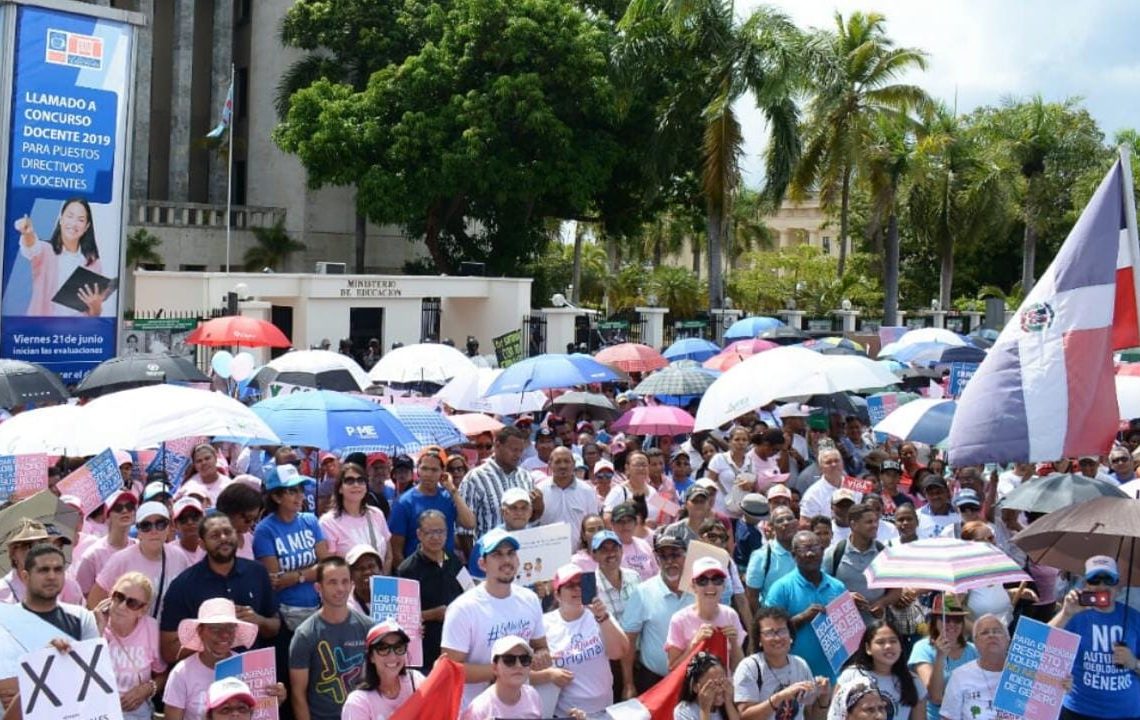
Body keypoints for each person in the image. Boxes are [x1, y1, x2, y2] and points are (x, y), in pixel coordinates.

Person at [440, 528, 550, 708]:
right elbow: (450, 669)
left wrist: (541, 657)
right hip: (475, 709)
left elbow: (541, 647)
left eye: (511, 553)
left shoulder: (529, 599)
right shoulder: (463, 608)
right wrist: (502, 671)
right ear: (482, 564)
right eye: (497, 555)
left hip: (520, 706)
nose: (506, 560)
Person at [159, 514, 279, 664]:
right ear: (202, 544)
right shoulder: (183, 585)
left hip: (251, 671)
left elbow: (275, 626)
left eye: (228, 532)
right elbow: (169, 652)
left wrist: (259, 621)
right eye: (215, 535)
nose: (223, 538)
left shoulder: (257, 572)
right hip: (204, 677)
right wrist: (206, 636)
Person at [1050, 555, 1140, 720]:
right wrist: (1065, 614)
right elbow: (1038, 645)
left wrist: (1133, 663)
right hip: (1078, 710)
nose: (1102, 586)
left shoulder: (1134, 618)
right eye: (1095, 580)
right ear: (1086, 585)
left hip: (1127, 713)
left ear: (1119, 587)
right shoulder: (1074, 615)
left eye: (1108, 580)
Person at [165, 598, 283, 720]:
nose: (224, 634)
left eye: (230, 628)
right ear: (200, 631)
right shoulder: (182, 673)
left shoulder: (248, 667)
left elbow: (259, 713)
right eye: (215, 628)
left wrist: (274, 698)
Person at [288, 557, 372, 720]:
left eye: (345, 581)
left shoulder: (367, 627)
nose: (340, 588)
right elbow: (298, 694)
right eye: (332, 582)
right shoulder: (305, 635)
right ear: (318, 587)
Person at [544, 563, 630, 717]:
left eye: (581, 584)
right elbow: (528, 668)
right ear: (557, 595)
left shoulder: (599, 615)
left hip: (605, 710)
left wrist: (603, 618)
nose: (577, 589)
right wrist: (548, 673)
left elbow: (619, 652)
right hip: (568, 714)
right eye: (570, 585)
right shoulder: (545, 624)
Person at [254, 464, 329, 630]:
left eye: (301, 490)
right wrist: (309, 573)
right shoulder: (264, 531)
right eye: (292, 491)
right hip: (285, 613)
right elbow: (276, 581)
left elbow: (327, 566)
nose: (300, 496)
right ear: (277, 497)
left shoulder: (311, 520)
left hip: (318, 607)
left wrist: (295, 576)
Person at [764, 531, 847, 681]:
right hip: (792, 677)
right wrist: (802, 618)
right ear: (793, 555)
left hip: (832, 676)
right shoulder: (781, 588)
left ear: (822, 551)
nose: (810, 554)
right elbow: (768, 631)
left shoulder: (837, 587)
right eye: (803, 549)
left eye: (814, 548)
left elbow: (847, 633)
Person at [89, 501, 193, 621]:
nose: (154, 531)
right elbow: (94, 601)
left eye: (160, 524)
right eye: (146, 525)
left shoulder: (179, 557)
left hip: (165, 635)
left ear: (169, 528)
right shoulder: (121, 560)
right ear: (138, 531)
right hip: (127, 637)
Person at [621, 534, 693, 695]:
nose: (669, 561)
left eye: (675, 555)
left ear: (686, 556)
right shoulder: (643, 592)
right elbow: (629, 640)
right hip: (654, 681)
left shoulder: (699, 589)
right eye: (663, 556)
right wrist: (628, 684)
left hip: (692, 682)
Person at [396, 509, 466, 669]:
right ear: (419, 534)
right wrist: (432, 614)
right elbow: (401, 618)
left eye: (440, 532)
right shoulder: (407, 570)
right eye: (429, 532)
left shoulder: (454, 560)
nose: (435, 537)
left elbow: (469, 591)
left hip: (457, 646)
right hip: (426, 652)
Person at [14, 198, 109, 316]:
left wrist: (96, 306)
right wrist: (28, 233)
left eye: (80, 220)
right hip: (42, 330)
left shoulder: (93, 263)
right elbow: (30, 248)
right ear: (61, 219)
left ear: (86, 226)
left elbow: (93, 315)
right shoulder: (45, 251)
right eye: (70, 216)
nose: (73, 223)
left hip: (76, 332)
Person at [457, 426, 542, 556]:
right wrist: (476, 563)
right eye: (513, 450)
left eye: (520, 451)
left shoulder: (526, 477)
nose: (518, 455)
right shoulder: (475, 478)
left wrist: (538, 508)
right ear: (497, 445)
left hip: (522, 558)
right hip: (489, 558)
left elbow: (528, 521)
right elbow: (464, 531)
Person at [733, 606, 829, 720]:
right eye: (769, 633)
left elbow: (814, 716)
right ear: (759, 639)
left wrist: (824, 695)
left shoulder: (800, 665)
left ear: (790, 636)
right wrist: (781, 697)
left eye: (782, 631)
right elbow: (745, 716)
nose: (777, 638)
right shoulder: (749, 667)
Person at [96, 572, 166, 720]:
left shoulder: (150, 628)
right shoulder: (93, 625)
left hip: (137, 715)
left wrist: (146, 689)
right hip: (98, 713)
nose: (121, 606)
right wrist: (98, 629)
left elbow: (162, 674)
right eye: (118, 597)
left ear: (143, 610)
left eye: (132, 603)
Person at [390, 447, 475, 567]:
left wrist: (453, 490)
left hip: (446, 567)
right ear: (418, 470)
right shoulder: (404, 502)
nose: (428, 474)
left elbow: (469, 523)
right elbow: (396, 549)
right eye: (424, 468)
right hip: (417, 569)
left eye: (434, 470)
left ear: (442, 472)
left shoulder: (448, 497)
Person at [829, 620, 927, 720]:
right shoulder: (851, 675)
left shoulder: (914, 681)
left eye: (893, 641)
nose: (888, 646)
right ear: (868, 648)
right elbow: (835, 715)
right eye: (880, 642)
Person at [666, 557, 746, 671]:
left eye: (717, 580)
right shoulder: (679, 620)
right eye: (702, 580)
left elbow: (739, 668)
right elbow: (672, 670)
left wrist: (733, 643)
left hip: (724, 686)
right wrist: (694, 644)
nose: (710, 585)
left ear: (723, 586)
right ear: (693, 586)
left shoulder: (730, 615)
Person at [823, 503, 899, 622]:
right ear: (853, 525)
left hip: (876, 628)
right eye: (869, 522)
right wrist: (845, 599)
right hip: (844, 628)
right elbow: (822, 588)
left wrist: (882, 603)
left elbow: (896, 590)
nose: (875, 525)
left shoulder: (884, 554)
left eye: (876, 521)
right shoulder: (834, 554)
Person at [906, 594, 975, 720]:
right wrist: (940, 657)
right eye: (946, 619)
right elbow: (935, 697)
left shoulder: (973, 650)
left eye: (958, 620)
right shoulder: (922, 648)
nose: (952, 624)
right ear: (935, 621)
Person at [341, 620, 426, 720]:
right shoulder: (357, 703)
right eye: (383, 648)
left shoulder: (417, 681)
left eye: (399, 647)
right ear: (371, 656)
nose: (392, 656)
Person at [318, 463, 392, 571]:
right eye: (349, 481)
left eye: (361, 480)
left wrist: (380, 582)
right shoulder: (328, 522)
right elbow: (330, 567)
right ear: (340, 489)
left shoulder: (377, 514)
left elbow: (388, 555)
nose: (356, 485)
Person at [938, 614, 1011, 720]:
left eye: (997, 631)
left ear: (1008, 639)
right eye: (984, 633)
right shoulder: (960, 676)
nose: (991, 635)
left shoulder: (1027, 674)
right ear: (975, 642)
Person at [459, 636, 545, 720]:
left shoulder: (533, 696)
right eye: (509, 660)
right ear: (495, 668)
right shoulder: (480, 708)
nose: (518, 665)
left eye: (524, 659)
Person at [0, 520, 84, 604]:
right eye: (29, 545)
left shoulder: (62, 584)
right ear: (13, 552)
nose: (37, 550)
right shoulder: (3, 591)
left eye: (42, 544)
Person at [74, 490, 138, 595]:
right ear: (107, 517)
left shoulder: (140, 548)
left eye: (130, 506)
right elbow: (83, 594)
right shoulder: (93, 555)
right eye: (118, 508)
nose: (125, 511)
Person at [537, 446, 600, 550]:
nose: (563, 466)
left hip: (578, 556)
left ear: (574, 464)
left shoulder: (587, 491)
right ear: (549, 465)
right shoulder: (540, 490)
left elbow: (593, 526)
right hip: (548, 555)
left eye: (567, 461)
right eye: (558, 462)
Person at [467, 486, 533, 580]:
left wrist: (547, 587)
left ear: (530, 512)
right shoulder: (485, 543)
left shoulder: (542, 538)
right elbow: (476, 582)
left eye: (524, 508)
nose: (519, 513)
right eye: (513, 508)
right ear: (503, 511)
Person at [744, 506, 799, 615]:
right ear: (772, 527)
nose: (786, 523)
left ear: (796, 523)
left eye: (789, 518)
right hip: (776, 622)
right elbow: (752, 597)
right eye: (780, 521)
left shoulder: (807, 551)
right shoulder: (761, 556)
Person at [706, 427, 756, 517]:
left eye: (744, 440)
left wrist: (749, 486)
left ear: (748, 443)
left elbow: (755, 487)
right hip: (721, 511)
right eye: (737, 439)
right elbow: (709, 485)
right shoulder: (719, 459)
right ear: (730, 442)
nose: (741, 443)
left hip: (743, 513)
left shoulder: (752, 462)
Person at [675, 651, 740, 720]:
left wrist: (729, 702)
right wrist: (705, 710)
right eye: (713, 685)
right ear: (695, 687)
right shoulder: (684, 710)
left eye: (722, 683)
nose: (719, 689)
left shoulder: (727, 706)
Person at [611, 501, 659, 581]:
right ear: (612, 524)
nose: (625, 525)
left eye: (629, 521)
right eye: (620, 521)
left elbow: (656, 573)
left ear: (636, 523)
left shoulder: (644, 545)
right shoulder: (609, 548)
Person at [345, 544, 382, 616]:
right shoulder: (345, 607)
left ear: (380, 569)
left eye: (371, 566)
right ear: (350, 575)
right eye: (360, 568)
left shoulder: (396, 598)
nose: (367, 572)